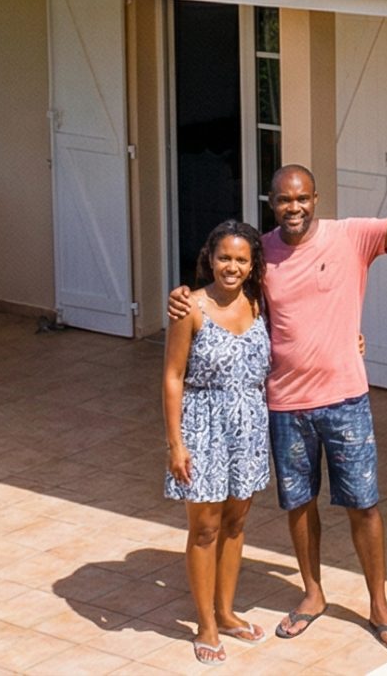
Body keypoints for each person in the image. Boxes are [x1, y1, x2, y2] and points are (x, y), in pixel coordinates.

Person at [170, 162, 387, 653]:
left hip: (345, 399)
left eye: (301, 198)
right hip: (284, 404)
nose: (293, 207)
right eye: (284, 199)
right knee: (299, 504)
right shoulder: (261, 254)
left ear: (315, 199)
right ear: (272, 203)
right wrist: (182, 296)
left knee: (363, 505)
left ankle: (379, 605)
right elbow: (226, 291)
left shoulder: (351, 237)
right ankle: (312, 593)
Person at [162, 219, 273, 664]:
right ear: (209, 258)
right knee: (205, 528)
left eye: (241, 259)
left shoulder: (260, 302)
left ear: (252, 264)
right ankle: (206, 624)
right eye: (224, 257)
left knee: (235, 524)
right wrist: (176, 444)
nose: (232, 267)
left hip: (249, 428)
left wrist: (352, 343)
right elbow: (173, 377)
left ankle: (226, 613)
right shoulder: (189, 307)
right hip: (203, 427)